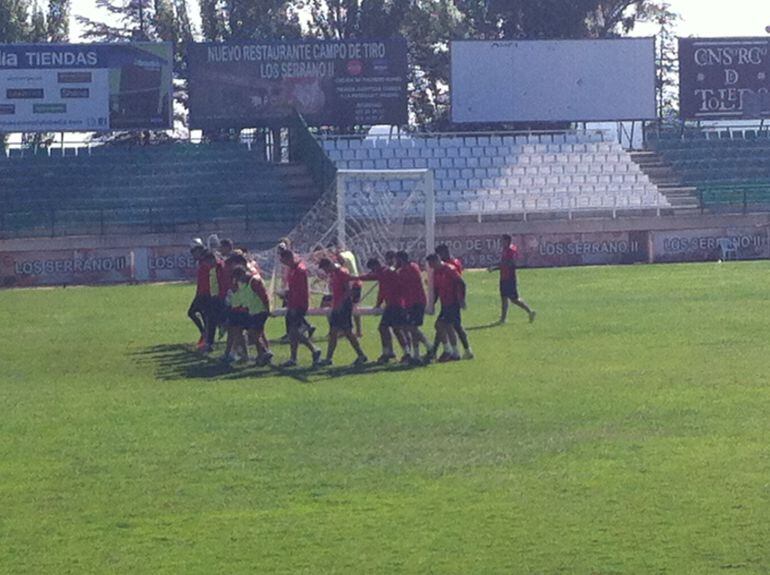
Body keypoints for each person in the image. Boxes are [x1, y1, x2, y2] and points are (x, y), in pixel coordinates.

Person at [355, 257, 409, 363]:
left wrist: (378, 304)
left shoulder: (385, 273)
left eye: (372, 269)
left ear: (376, 266)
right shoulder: (387, 272)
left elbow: (382, 289)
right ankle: (392, 352)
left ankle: (399, 353)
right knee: (391, 328)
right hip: (393, 304)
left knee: (391, 329)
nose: (373, 271)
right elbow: (383, 290)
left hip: (395, 304)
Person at [316, 257, 368, 367]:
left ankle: (361, 355)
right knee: (334, 332)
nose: (326, 272)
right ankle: (329, 358)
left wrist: (340, 304)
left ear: (328, 265)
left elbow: (348, 291)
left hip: (343, 307)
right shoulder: (334, 273)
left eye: (325, 269)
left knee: (347, 332)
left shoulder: (342, 272)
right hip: (337, 306)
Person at [279, 249, 322, 368]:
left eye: (284, 261)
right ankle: (293, 358)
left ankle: (314, 349)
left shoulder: (300, 270)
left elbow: (301, 290)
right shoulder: (292, 269)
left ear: (288, 258)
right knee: (292, 333)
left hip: (298, 305)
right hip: (292, 303)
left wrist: (288, 295)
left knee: (294, 332)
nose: (283, 264)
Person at [229, 266, 273, 366]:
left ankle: (265, 352)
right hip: (252, 312)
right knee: (254, 334)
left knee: (253, 333)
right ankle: (262, 355)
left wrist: (267, 309)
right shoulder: (244, 284)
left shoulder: (254, 281)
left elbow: (264, 296)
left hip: (260, 311)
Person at [436, 244, 474, 359]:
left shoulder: (452, 265)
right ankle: (447, 350)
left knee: (451, 325)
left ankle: (460, 351)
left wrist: (461, 298)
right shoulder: (445, 265)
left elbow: (459, 282)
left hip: (452, 299)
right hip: (446, 299)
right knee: (444, 325)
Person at [426, 253, 466, 362]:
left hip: (452, 303)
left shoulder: (450, 269)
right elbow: (437, 290)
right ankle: (454, 353)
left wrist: (461, 299)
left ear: (436, 261)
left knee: (440, 325)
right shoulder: (436, 272)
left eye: (431, 264)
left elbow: (461, 283)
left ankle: (449, 351)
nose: (430, 266)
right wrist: (431, 304)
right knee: (447, 327)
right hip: (445, 304)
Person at [488, 234, 536, 324]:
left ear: (507, 241)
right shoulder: (505, 250)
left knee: (514, 299)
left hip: (509, 278)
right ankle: (503, 319)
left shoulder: (511, 250)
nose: (501, 242)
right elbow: (503, 263)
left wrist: (495, 267)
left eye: (503, 240)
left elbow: (509, 263)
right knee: (504, 298)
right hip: (503, 277)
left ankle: (530, 311)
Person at [395, 251, 432, 363]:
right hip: (410, 302)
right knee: (412, 328)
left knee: (412, 327)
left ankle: (429, 346)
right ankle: (416, 354)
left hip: (416, 301)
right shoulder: (411, 267)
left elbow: (402, 284)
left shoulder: (409, 270)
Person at [332, 243, 364, 338]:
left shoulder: (341, 256)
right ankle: (357, 330)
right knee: (354, 306)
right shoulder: (350, 254)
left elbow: (340, 266)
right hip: (356, 282)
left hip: (350, 283)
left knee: (348, 306)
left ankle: (346, 329)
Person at [188, 239, 209, 349]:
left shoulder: (206, 261)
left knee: (203, 315)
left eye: (193, 252)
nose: (192, 255)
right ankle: (204, 334)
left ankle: (206, 337)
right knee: (193, 313)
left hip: (206, 294)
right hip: (201, 293)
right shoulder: (201, 262)